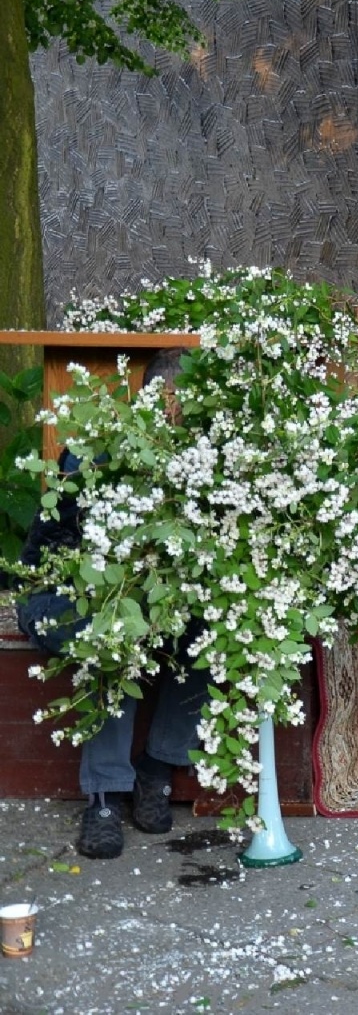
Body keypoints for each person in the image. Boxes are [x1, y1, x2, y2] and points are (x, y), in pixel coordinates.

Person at [15, 348, 208, 859]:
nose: (175, 416)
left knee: (215, 622)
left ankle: (157, 769)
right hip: (72, 593)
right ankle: (103, 795)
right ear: (149, 398)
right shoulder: (96, 451)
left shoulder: (209, 462)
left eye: (186, 408)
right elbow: (49, 549)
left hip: (157, 602)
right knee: (112, 629)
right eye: (169, 403)